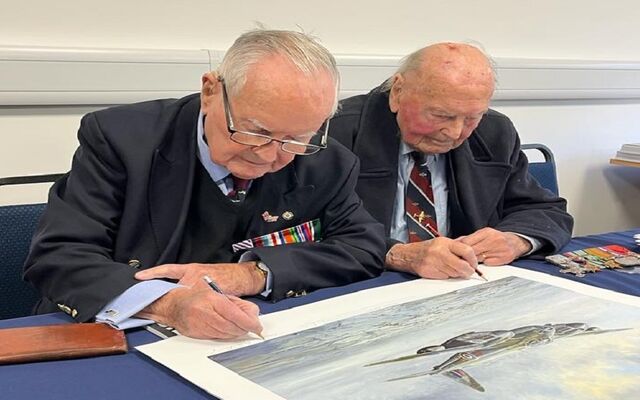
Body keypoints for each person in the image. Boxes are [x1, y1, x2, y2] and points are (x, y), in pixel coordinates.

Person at [24, 29, 386, 339]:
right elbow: (59, 256)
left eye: (296, 138)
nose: (267, 156)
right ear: (211, 91)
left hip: (250, 335)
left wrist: (253, 274)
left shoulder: (325, 160)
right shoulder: (121, 140)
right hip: (117, 331)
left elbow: (363, 247)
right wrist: (165, 303)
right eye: (254, 131)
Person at [329, 42, 573, 280]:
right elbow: (308, 233)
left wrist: (516, 239)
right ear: (397, 92)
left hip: (461, 283)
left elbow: (544, 210)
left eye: (471, 118)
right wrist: (397, 254)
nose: (455, 133)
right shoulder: (333, 134)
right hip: (366, 280)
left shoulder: (494, 132)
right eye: (440, 115)